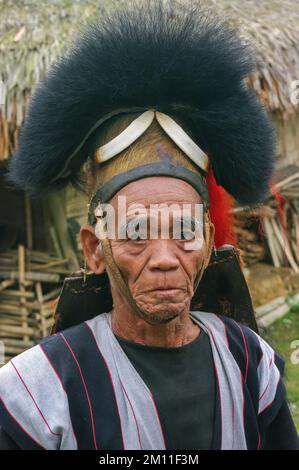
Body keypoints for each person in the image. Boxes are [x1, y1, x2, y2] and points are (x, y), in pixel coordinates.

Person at [0, 1, 298, 450]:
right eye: (136, 232)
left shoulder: (254, 367)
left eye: (184, 231)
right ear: (94, 248)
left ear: (210, 240)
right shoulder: (33, 398)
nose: (163, 258)